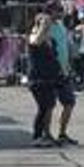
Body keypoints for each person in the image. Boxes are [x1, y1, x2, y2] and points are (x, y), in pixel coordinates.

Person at [27, 14, 63, 147]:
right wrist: (42, 25)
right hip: (37, 78)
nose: (49, 26)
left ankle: (45, 134)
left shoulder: (50, 39)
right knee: (43, 107)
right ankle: (36, 136)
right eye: (46, 24)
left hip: (50, 77)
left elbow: (54, 56)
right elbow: (36, 41)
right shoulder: (33, 36)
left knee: (49, 106)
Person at [47, 11, 79, 144]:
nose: (59, 12)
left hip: (64, 71)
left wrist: (70, 64)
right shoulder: (45, 25)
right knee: (49, 105)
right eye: (57, 9)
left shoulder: (61, 26)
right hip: (51, 71)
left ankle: (62, 133)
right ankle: (46, 134)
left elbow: (67, 45)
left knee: (69, 102)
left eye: (60, 10)